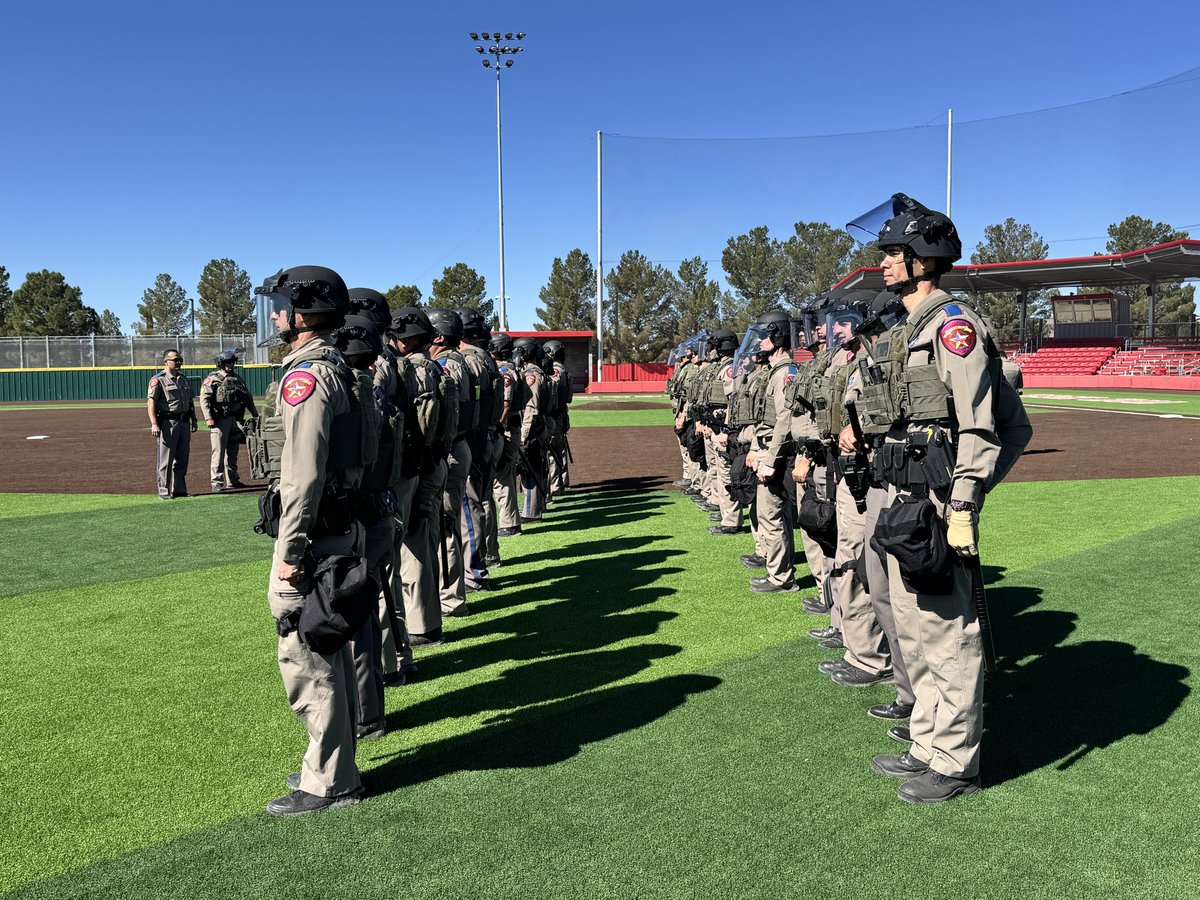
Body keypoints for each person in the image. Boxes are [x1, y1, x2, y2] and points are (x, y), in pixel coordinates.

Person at [854, 193, 1030, 803]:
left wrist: (965, 501)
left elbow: (985, 425)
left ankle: (956, 764)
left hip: (937, 503)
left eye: (894, 253)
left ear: (923, 258)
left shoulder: (953, 328)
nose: (884, 262)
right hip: (904, 498)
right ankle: (926, 744)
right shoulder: (910, 329)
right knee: (914, 627)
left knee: (949, 634)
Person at [254, 264, 365, 817]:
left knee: (306, 653)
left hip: (314, 537)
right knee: (329, 649)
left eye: (282, 304)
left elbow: (302, 476)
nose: (275, 314)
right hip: (337, 529)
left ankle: (327, 784)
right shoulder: (336, 367)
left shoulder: (307, 377)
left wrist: (290, 555)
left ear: (305, 310)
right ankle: (334, 767)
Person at [388, 307, 453, 647]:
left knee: (411, 549)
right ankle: (427, 622)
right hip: (435, 462)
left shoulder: (414, 369)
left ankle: (422, 627)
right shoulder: (436, 368)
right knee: (422, 544)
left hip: (420, 465)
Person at [744, 310, 800, 593]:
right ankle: (777, 570)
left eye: (765, 336)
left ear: (778, 337)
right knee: (771, 515)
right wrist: (756, 448)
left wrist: (769, 459)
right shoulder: (774, 372)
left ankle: (781, 577)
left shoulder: (785, 373)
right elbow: (764, 420)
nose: (759, 342)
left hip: (776, 454)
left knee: (773, 516)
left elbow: (784, 419)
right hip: (767, 449)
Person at [426, 309, 474, 619]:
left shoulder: (445, 365)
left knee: (446, 525)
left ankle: (450, 598)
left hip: (451, 450)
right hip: (459, 447)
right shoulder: (459, 362)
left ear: (439, 336)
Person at [456, 308, 504, 587]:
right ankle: (479, 563)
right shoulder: (486, 360)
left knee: (469, 506)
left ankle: (474, 570)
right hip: (486, 437)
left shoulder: (468, 362)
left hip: (473, 439)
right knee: (478, 503)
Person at [200, 348, 259, 492]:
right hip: (220, 420)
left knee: (233, 452)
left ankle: (233, 480)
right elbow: (204, 400)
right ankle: (216, 482)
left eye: (232, 362)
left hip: (236, 420)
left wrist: (256, 416)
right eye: (228, 362)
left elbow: (248, 399)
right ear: (220, 363)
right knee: (218, 452)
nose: (231, 365)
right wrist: (208, 418)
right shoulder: (213, 379)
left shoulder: (238, 379)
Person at [488, 332, 529, 540]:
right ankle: (512, 521)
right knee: (506, 477)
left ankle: (508, 524)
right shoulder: (516, 370)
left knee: (500, 480)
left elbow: (505, 403)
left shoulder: (503, 371)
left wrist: (497, 426)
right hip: (514, 427)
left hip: (504, 430)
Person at [146, 349, 196, 499]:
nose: (179, 362)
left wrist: (194, 418)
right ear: (166, 361)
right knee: (166, 459)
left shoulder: (183, 379)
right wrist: (154, 423)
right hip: (168, 422)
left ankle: (179, 489)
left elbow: (190, 401)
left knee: (182, 457)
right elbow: (151, 402)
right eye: (176, 360)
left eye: (180, 360)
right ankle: (164, 490)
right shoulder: (158, 380)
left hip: (184, 422)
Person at [513, 337, 550, 523]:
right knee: (535, 468)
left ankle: (530, 512)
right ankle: (536, 507)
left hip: (533, 428)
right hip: (539, 427)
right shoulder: (537, 372)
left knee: (531, 470)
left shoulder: (531, 375)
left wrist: (524, 434)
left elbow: (531, 407)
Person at [543, 339, 574, 495]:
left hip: (554, 415)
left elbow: (552, 392)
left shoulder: (555, 370)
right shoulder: (565, 370)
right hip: (562, 414)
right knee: (560, 450)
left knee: (552, 452)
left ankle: (555, 487)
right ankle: (563, 481)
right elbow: (568, 398)